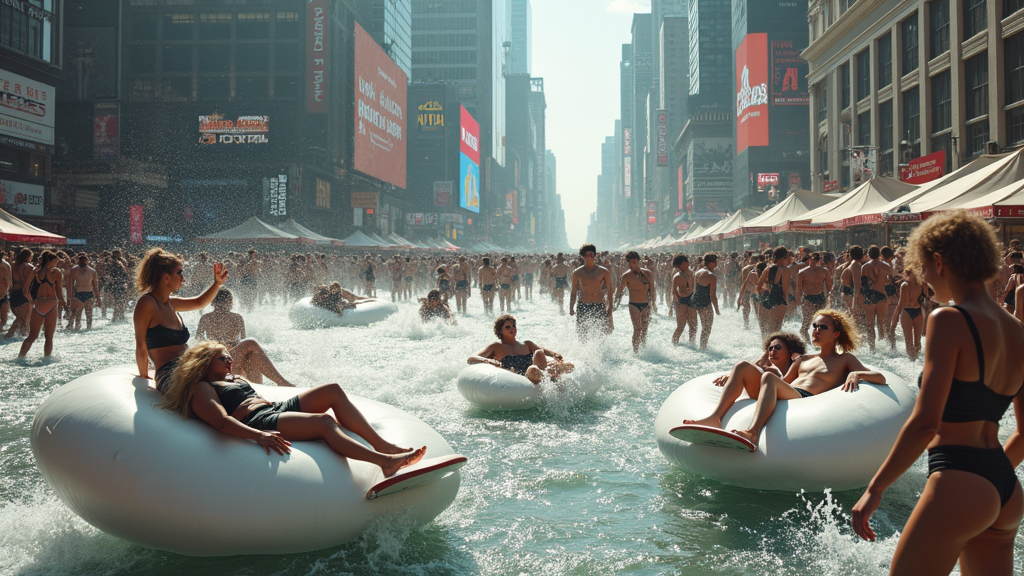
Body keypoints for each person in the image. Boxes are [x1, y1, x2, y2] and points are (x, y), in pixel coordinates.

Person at [852, 210, 1024, 576]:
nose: (926, 282)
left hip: (958, 476)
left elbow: (926, 423)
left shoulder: (948, 319)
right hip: (1005, 487)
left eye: (923, 270)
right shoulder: (1018, 330)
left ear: (939, 261)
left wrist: (875, 487)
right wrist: (989, 486)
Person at [160, 342, 425, 476]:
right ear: (206, 362)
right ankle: (385, 463)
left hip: (274, 407)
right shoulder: (203, 387)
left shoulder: (231, 378)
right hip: (259, 419)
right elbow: (220, 421)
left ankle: (384, 446)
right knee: (323, 423)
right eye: (223, 357)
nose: (230, 359)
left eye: (229, 355)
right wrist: (258, 435)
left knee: (332, 390)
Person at [683, 309, 885, 448]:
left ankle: (753, 432)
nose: (816, 330)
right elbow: (784, 380)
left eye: (823, 327)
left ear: (836, 334)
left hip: (805, 398)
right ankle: (714, 418)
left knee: (769, 379)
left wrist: (856, 373)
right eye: (814, 326)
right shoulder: (803, 360)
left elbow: (880, 377)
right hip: (787, 391)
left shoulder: (844, 360)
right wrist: (740, 374)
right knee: (743, 366)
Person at [133, 248, 295, 394]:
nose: (183, 279)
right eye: (180, 273)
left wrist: (217, 283)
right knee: (250, 344)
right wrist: (144, 376)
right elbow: (141, 346)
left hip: (193, 363)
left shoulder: (171, 303)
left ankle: (271, 390)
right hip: (182, 370)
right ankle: (283, 385)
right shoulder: (147, 303)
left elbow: (199, 303)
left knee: (251, 355)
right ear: (166, 277)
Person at [468, 314, 574, 385]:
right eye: (508, 327)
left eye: (514, 326)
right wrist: (489, 361)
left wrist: (555, 355)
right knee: (532, 370)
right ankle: (544, 373)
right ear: (500, 330)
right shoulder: (496, 346)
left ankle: (549, 372)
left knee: (538, 352)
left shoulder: (526, 344)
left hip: (537, 371)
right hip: (519, 378)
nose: (512, 329)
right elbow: (471, 358)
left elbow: (543, 350)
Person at [710, 332, 808, 388]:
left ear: (790, 351)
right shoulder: (771, 372)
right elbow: (751, 367)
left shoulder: (801, 369)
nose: (772, 351)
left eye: (778, 347)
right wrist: (730, 375)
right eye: (770, 348)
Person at [18, 250, 66, 358]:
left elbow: (25, 290)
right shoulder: (56, 272)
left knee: (32, 336)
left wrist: (32, 300)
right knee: (49, 337)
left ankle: (20, 357)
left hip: (39, 304)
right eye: (55, 261)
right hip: (51, 304)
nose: (56, 263)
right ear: (50, 261)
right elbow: (59, 291)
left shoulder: (36, 271)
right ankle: (46, 359)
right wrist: (63, 303)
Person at [614, 251, 656, 353]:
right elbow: (619, 291)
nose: (631, 264)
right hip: (634, 304)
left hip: (646, 304)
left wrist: (653, 303)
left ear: (638, 261)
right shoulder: (626, 276)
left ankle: (643, 350)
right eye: (629, 262)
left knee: (644, 330)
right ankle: (636, 352)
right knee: (637, 329)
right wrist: (614, 304)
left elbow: (652, 289)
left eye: (633, 262)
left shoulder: (648, 273)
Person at [569, 244, 613, 339]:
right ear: (583, 256)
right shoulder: (577, 272)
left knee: (600, 333)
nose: (590, 257)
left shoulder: (603, 271)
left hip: (598, 304)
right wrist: (571, 307)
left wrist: (610, 308)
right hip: (583, 305)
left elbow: (609, 290)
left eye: (592, 254)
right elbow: (573, 291)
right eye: (587, 254)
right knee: (582, 334)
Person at [890, 269, 927, 361]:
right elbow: (900, 304)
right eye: (908, 274)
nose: (909, 276)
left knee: (918, 343)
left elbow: (926, 301)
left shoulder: (921, 285)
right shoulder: (904, 286)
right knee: (909, 341)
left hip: (918, 311)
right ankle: (912, 360)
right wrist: (894, 321)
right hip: (906, 311)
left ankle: (914, 359)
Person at [756, 247, 793, 338]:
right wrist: (786, 304)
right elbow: (785, 290)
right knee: (776, 331)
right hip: (779, 301)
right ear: (782, 258)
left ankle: (765, 350)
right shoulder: (786, 270)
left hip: (765, 301)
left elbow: (758, 288)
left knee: (764, 332)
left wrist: (768, 288)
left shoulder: (767, 268)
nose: (787, 260)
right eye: (786, 257)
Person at [795, 253, 832, 343]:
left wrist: (830, 300)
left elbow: (829, 287)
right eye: (812, 260)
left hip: (820, 297)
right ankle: (808, 345)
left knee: (819, 323)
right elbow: (798, 289)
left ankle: (817, 343)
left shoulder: (824, 271)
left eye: (816, 260)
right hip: (808, 298)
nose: (813, 262)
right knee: (806, 324)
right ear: (809, 260)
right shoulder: (802, 272)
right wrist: (798, 302)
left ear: (819, 261)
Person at [690, 253, 720, 350]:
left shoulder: (698, 272)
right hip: (705, 303)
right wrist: (716, 308)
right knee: (707, 327)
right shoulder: (711, 276)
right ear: (711, 263)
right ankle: (703, 347)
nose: (716, 263)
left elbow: (694, 289)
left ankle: (701, 346)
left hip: (696, 301)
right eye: (715, 261)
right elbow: (712, 295)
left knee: (704, 326)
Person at [67, 253, 100, 331]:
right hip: (78, 293)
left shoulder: (92, 271)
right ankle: (75, 328)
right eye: (81, 261)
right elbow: (70, 284)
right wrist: (70, 297)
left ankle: (89, 329)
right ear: (78, 261)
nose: (82, 263)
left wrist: (98, 298)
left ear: (87, 262)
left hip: (89, 293)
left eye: (84, 262)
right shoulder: (74, 270)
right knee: (77, 314)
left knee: (89, 313)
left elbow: (95, 286)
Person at [671, 254, 698, 345]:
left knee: (693, 326)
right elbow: (674, 291)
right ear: (681, 264)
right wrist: (679, 302)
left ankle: (692, 344)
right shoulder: (677, 276)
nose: (688, 262)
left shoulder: (691, 273)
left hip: (691, 299)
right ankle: (674, 344)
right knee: (681, 326)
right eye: (686, 261)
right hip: (681, 301)